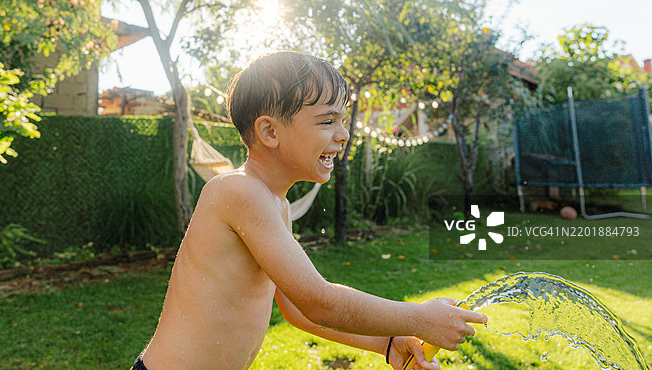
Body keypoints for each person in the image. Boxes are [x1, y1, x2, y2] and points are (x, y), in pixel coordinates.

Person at [134, 51, 486, 370]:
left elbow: (300, 310)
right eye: (326, 121)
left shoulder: (277, 206)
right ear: (270, 131)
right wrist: (419, 319)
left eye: (343, 120)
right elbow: (320, 302)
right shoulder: (237, 191)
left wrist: (387, 342)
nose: (344, 134)